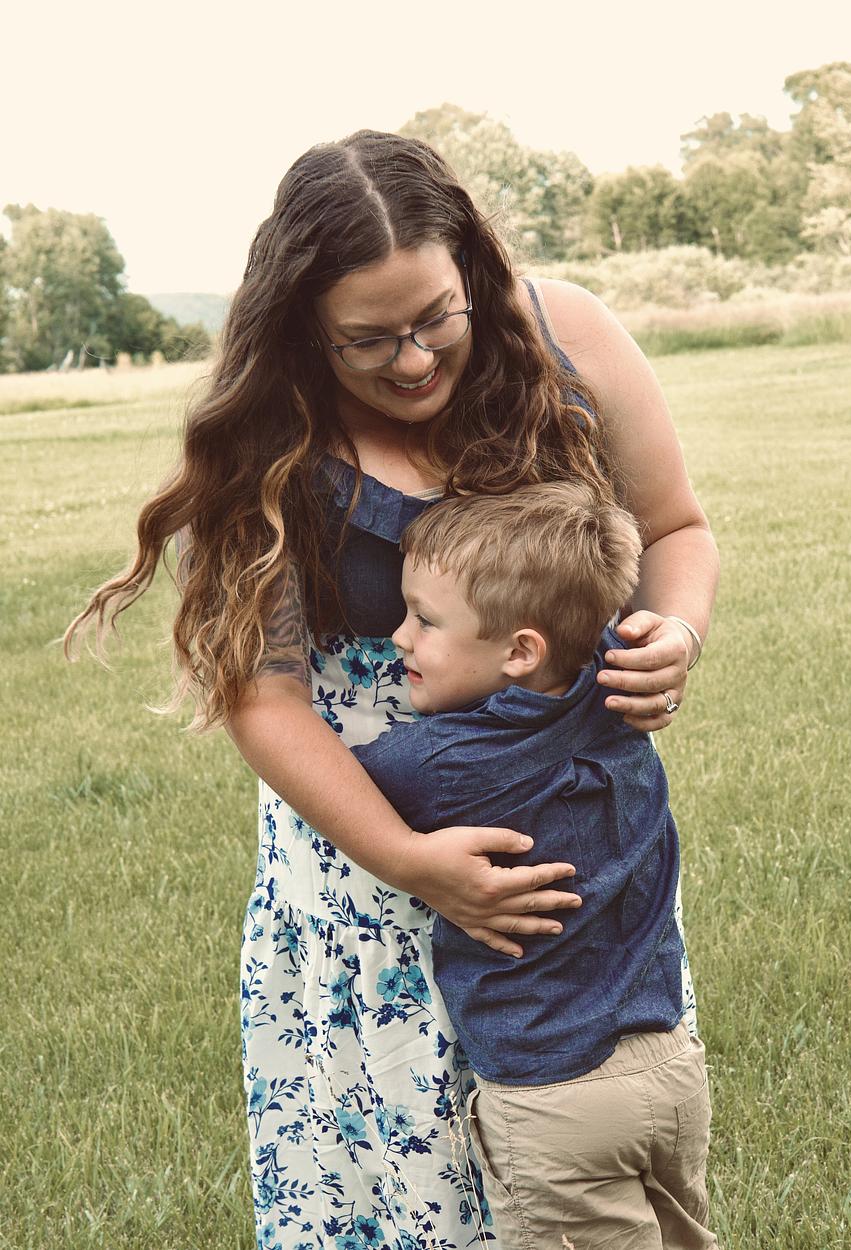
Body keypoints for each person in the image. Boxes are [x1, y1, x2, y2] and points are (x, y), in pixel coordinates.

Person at [65, 130, 719, 1249]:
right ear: (304, 324)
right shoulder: (271, 434)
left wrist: (677, 630)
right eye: (367, 340)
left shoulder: (566, 338)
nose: (412, 361)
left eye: (434, 319)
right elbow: (263, 695)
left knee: (589, 1172)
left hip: (568, 849)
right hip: (366, 858)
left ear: (471, 267)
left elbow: (673, 527)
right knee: (407, 1188)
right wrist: (410, 860)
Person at [347, 481, 716, 1250]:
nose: (399, 637)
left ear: (520, 650)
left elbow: (327, 781)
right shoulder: (618, 688)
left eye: (425, 619)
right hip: (670, 1064)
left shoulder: (435, 763)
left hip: (551, 1095)